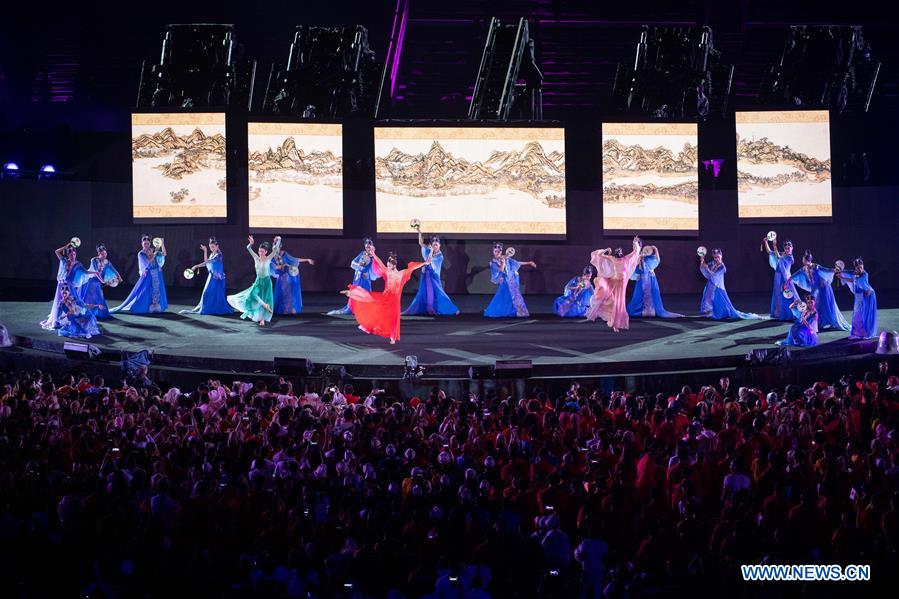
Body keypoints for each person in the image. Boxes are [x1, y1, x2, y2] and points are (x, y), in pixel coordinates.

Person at [341, 251, 428, 344]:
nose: (388, 266)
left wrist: (424, 263)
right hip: (386, 297)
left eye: (389, 265)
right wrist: (374, 254)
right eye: (388, 265)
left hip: (395, 300)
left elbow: (413, 267)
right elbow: (380, 263)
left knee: (394, 318)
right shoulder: (387, 271)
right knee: (371, 300)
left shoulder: (401, 273)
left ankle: (393, 337)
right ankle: (352, 293)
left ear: (394, 265)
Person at [586, 236, 641, 332]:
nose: (619, 253)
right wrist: (606, 250)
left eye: (620, 252)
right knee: (615, 303)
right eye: (617, 252)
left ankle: (619, 323)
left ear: (622, 253)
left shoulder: (626, 259)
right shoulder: (613, 259)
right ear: (616, 254)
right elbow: (601, 255)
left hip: (623, 283)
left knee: (620, 303)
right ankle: (614, 324)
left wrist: (635, 242)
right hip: (615, 282)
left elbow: (635, 252)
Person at [227, 235, 282, 327]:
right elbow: (248, 248)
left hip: (267, 282)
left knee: (265, 298)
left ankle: (263, 319)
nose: (260, 253)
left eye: (262, 251)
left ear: (266, 252)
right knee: (252, 294)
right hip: (258, 281)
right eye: (259, 251)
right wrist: (251, 243)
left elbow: (275, 250)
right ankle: (265, 305)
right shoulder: (256, 257)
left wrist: (279, 239)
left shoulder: (268, 258)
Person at [41, 240, 97, 330]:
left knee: (72, 302)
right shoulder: (64, 261)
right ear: (68, 255)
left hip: (70, 287)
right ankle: (56, 320)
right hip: (61, 285)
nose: (72, 254)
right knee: (60, 302)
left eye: (73, 253)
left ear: (75, 254)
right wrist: (67, 245)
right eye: (70, 253)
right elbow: (57, 252)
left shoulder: (78, 264)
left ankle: (72, 318)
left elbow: (86, 272)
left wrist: (95, 272)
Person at [789, 251, 850, 331]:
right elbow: (796, 274)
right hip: (815, 288)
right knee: (816, 304)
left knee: (827, 305)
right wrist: (788, 280)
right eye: (803, 260)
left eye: (804, 260)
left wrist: (834, 270)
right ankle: (818, 322)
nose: (803, 261)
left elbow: (826, 270)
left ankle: (831, 321)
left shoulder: (816, 266)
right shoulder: (804, 268)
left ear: (808, 260)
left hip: (824, 287)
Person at [403, 230, 459, 316]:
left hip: (434, 277)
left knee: (439, 293)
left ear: (439, 245)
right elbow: (421, 243)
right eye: (433, 245)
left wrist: (431, 251)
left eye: (436, 245)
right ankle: (424, 309)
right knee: (423, 292)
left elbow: (429, 261)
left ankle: (452, 309)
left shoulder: (440, 256)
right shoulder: (429, 250)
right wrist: (419, 233)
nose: (435, 246)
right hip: (426, 275)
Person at [111, 235, 168, 314]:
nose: (146, 245)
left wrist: (162, 244)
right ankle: (145, 307)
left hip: (157, 273)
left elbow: (164, 254)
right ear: (142, 244)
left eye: (148, 243)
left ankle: (156, 307)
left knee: (157, 290)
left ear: (150, 243)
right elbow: (149, 262)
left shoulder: (152, 250)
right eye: (145, 243)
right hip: (148, 275)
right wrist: (155, 252)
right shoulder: (141, 253)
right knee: (146, 292)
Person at [699, 248, 760, 320]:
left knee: (718, 300)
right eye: (715, 257)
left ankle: (719, 313)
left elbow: (712, 274)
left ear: (721, 256)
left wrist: (707, 268)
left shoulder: (722, 266)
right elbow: (705, 272)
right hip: (710, 285)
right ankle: (708, 313)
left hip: (717, 286)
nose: (717, 258)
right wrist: (702, 261)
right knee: (708, 298)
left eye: (718, 257)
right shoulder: (712, 263)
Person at [328, 237, 382, 315]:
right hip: (357, 279)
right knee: (354, 297)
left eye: (369, 244)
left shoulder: (374, 258)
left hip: (364, 282)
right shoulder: (362, 254)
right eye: (366, 244)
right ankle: (351, 309)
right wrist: (360, 267)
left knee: (365, 298)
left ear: (373, 246)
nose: (367, 245)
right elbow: (352, 264)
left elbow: (377, 271)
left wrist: (368, 274)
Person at [627, 244, 683, 318]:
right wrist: (639, 258)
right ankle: (640, 311)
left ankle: (651, 310)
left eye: (648, 250)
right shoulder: (639, 257)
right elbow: (633, 267)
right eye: (645, 249)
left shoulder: (651, 259)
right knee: (638, 296)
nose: (646, 250)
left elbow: (657, 260)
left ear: (651, 253)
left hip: (650, 280)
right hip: (641, 281)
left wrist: (656, 250)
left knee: (652, 295)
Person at [181, 237, 233, 315]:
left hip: (217, 279)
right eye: (210, 247)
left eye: (213, 247)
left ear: (217, 246)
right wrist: (198, 263)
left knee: (216, 295)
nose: (211, 249)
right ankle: (209, 308)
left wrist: (198, 263)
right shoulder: (212, 254)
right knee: (207, 293)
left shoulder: (218, 255)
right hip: (212, 277)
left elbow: (207, 262)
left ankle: (214, 308)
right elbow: (206, 263)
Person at [484, 242, 536, 318]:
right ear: (493, 251)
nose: (497, 253)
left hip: (511, 280)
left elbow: (516, 263)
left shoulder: (506, 258)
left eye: (498, 251)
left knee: (516, 295)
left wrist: (529, 262)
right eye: (495, 251)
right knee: (504, 297)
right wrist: (503, 261)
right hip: (504, 282)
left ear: (501, 251)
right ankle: (506, 311)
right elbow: (500, 270)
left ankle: (520, 312)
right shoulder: (492, 262)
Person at [837, 258, 878, 339]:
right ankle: (858, 333)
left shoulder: (865, 274)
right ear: (855, 268)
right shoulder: (855, 272)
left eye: (861, 267)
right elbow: (848, 271)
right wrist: (840, 270)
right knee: (857, 314)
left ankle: (866, 333)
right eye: (858, 267)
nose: (860, 269)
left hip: (868, 295)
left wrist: (842, 278)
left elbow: (854, 280)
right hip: (859, 296)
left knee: (865, 314)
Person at [270, 241, 315, 315]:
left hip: (287, 276)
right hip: (280, 277)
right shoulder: (272, 256)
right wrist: (283, 265)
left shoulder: (284, 254)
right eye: (274, 246)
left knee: (289, 293)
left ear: (280, 247)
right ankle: (284, 309)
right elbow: (273, 267)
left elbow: (295, 259)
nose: (275, 248)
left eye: (277, 246)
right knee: (282, 294)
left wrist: (307, 260)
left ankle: (290, 309)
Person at [79, 243, 122, 319]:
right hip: (91, 281)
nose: (104, 255)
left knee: (98, 297)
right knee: (90, 298)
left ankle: (99, 313)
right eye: (102, 254)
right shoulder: (94, 260)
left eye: (105, 253)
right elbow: (96, 272)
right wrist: (102, 281)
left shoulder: (107, 262)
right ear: (98, 254)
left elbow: (114, 270)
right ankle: (88, 313)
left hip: (98, 282)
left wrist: (119, 277)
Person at [762, 236, 797, 320]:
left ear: (792, 248)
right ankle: (778, 312)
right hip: (778, 277)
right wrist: (766, 242)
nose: (787, 248)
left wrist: (774, 245)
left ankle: (791, 313)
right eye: (786, 247)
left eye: (789, 247)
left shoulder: (790, 258)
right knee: (778, 294)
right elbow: (770, 252)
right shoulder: (782, 254)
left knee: (788, 295)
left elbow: (778, 257)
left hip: (786, 278)